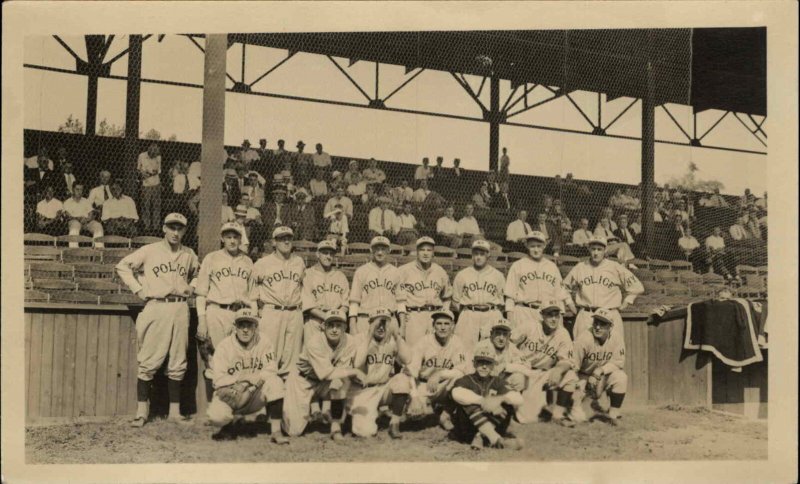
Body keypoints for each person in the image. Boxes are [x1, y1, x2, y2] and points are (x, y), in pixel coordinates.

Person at [116, 212, 199, 427]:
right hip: (156, 306)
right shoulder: (150, 250)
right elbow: (122, 266)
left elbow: (198, 273)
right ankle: (142, 412)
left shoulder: (189, 253)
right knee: (148, 361)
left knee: (178, 360)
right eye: (171, 227)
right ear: (163, 228)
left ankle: (174, 412)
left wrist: (193, 286)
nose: (175, 232)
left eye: (179, 228)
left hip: (180, 307)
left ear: (184, 231)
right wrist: (139, 289)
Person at [206, 309, 288, 444]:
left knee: (276, 382)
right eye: (241, 325)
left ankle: (276, 431)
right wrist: (243, 380)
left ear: (255, 327)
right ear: (235, 328)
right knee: (216, 416)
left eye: (249, 325)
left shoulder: (264, 341)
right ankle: (228, 425)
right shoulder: (224, 347)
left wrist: (253, 382)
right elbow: (218, 380)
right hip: (232, 393)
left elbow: (271, 369)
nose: (245, 330)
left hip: (256, 393)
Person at [282, 310, 362, 440]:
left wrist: (353, 374)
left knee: (342, 382)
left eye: (338, 325)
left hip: (326, 382)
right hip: (303, 380)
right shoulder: (315, 342)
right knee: (293, 431)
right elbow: (325, 373)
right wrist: (355, 372)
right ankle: (289, 411)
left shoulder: (350, 342)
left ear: (345, 327)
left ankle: (336, 427)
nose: (334, 330)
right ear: (323, 327)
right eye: (330, 325)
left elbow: (342, 371)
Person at [195, 222, 257, 376]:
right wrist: (202, 320)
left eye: (235, 237)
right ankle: (218, 399)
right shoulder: (211, 258)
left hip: (241, 314)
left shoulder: (248, 261)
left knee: (239, 361)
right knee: (216, 362)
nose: (232, 241)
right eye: (228, 237)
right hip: (217, 312)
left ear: (240, 239)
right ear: (222, 238)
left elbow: (253, 295)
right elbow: (201, 293)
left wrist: (254, 318)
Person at [563, 236, 644, 344]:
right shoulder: (580, 267)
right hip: (587, 316)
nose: (596, 252)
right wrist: (571, 305)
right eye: (593, 249)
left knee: (611, 353)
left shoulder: (615, 267)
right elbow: (563, 288)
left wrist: (627, 301)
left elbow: (637, 286)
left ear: (605, 250)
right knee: (582, 353)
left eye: (599, 249)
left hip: (609, 315)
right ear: (589, 249)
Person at [347, 309, 414, 439]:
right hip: (361, 391)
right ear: (370, 323)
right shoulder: (359, 339)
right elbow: (357, 363)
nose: (381, 327)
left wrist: (397, 336)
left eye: (385, 322)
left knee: (402, 379)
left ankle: (394, 423)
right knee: (365, 432)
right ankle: (351, 415)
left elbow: (407, 359)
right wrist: (369, 335)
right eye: (378, 322)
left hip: (383, 388)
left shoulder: (392, 339)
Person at [250, 226, 306, 378]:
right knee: (268, 359)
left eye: (289, 238)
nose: (286, 241)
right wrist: (256, 312)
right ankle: (267, 400)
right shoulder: (262, 263)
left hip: (294, 313)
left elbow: (303, 287)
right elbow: (252, 290)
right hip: (272, 312)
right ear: (274, 242)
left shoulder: (299, 262)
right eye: (282, 238)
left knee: (292, 363)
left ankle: (286, 399)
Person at [513, 301, 579, 426]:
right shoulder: (529, 326)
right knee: (526, 419)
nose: (553, 319)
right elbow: (509, 342)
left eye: (556, 315)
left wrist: (558, 370)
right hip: (524, 372)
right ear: (541, 315)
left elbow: (567, 361)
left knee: (570, 376)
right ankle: (512, 411)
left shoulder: (563, 333)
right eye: (549, 315)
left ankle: (558, 415)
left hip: (544, 374)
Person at [405, 309, 470, 432]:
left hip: (444, 386)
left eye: (446, 324)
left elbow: (461, 370)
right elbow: (411, 371)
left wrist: (439, 374)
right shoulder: (424, 341)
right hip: (424, 385)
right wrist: (414, 397)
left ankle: (445, 414)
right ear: (433, 325)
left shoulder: (457, 342)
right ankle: (424, 405)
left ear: (453, 326)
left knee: (461, 379)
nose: (443, 327)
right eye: (439, 323)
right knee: (415, 417)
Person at [504, 231, 576, 340]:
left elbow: (559, 294)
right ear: (526, 245)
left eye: (539, 246)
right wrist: (510, 321)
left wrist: (560, 318)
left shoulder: (552, 267)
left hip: (546, 313)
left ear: (544, 246)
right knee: (521, 347)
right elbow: (510, 296)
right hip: (524, 311)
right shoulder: (517, 266)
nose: (536, 249)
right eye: (532, 246)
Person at [450, 346, 524, 450]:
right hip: (467, 429)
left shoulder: (498, 381)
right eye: (481, 362)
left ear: (493, 365)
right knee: (468, 403)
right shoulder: (465, 379)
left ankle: (480, 437)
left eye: (488, 363)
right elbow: (456, 393)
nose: (484, 366)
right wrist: (484, 402)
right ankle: (496, 439)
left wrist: (499, 400)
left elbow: (518, 398)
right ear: (474, 363)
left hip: (493, 425)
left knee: (507, 404)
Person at [570, 309, 627, 425]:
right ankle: (575, 406)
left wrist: (600, 370)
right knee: (580, 418)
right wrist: (577, 387)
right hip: (583, 376)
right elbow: (573, 367)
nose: (598, 327)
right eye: (596, 323)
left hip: (602, 376)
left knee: (621, 377)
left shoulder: (616, 338)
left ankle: (614, 415)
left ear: (610, 327)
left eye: (602, 324)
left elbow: (618, 362)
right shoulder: (584, 339)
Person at [396, 236, 453, 346]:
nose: (425, 253)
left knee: (435, 352)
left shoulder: (440, 271)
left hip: (435, 316)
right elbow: (400, 300)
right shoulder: (404, 271)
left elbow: (447, 296)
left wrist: (444, 313)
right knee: (414, 352)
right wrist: (402, 324)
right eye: (422, 250)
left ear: (433, 253)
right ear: (416, 252)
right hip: (414, 316)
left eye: (429, 250)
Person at [451, 239, 506, 349]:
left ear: (488, 255)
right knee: (464, 349)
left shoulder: (498, 275)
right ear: (472, 255)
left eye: (482, 254)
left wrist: (492, 311)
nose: (478, 257)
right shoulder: (462, 275)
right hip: (469, 314)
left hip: (491, 313)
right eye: (476, 254)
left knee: (490, 349)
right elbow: (455, 301)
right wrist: (467, 312)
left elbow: (502, 301)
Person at [348, 236, 401, 335]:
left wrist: (403, 326)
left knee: (389, 350)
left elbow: (401, 301)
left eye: (383, 249)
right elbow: (354, 301)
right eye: (376, 249)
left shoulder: (396, 272)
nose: (380, 252)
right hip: (366, 319)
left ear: (389, 250)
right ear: (371, 250)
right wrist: (352, 325)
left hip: (389, 319)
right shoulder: (361, 271)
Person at [63, 181, 104, 247]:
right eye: (77, 189)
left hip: (86, 222)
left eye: (81, 189)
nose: (79, 192)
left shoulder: (86, 201)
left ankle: (99, 249)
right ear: (73, 190)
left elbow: (91, 213)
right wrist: (78, 219)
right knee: (75, 225)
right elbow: (68, 216)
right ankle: (73, 250)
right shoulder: (67, 202)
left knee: (98, 225)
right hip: (74, 221)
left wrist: (87, 220)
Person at [137, 143, 162, 233]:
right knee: (145, 205)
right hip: (145, 184)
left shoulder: (158, 157)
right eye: (152, 155)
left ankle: (156, 226)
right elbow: (138, 168)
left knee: (156, 205)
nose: (154, 156)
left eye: (155, 155)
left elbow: (158, 170)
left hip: (156, 183)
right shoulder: (142, 156)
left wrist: (150, 173)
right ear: (149, 151)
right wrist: (142, 173)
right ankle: (146, 226)